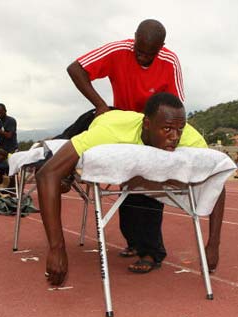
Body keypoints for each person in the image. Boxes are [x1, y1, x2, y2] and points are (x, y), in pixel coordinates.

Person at [36, 93, 226, 285]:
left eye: (179, 130)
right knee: (53, 159)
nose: (175, 137)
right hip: (97, 119)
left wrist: (213, 244)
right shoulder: (109, 132)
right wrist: (56, 248)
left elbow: (216, 181)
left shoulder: (191, 138)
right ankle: (51, 150)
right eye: (167, 129)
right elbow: (46, 174)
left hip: (126, 119)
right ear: (147, 125)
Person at [66, 19, 184, 263]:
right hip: (122, 123)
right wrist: (100, 105)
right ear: (134, 39)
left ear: (161, 48)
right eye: (139, 51)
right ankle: (54, 160)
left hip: (150, 131)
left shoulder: (170, 62)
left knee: (148, 188)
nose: (142, 58)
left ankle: (151, 251)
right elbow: (75, 68)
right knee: (127, 185)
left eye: (149, 55)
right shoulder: (118, 50)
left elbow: (176, 106)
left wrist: (165, 137)